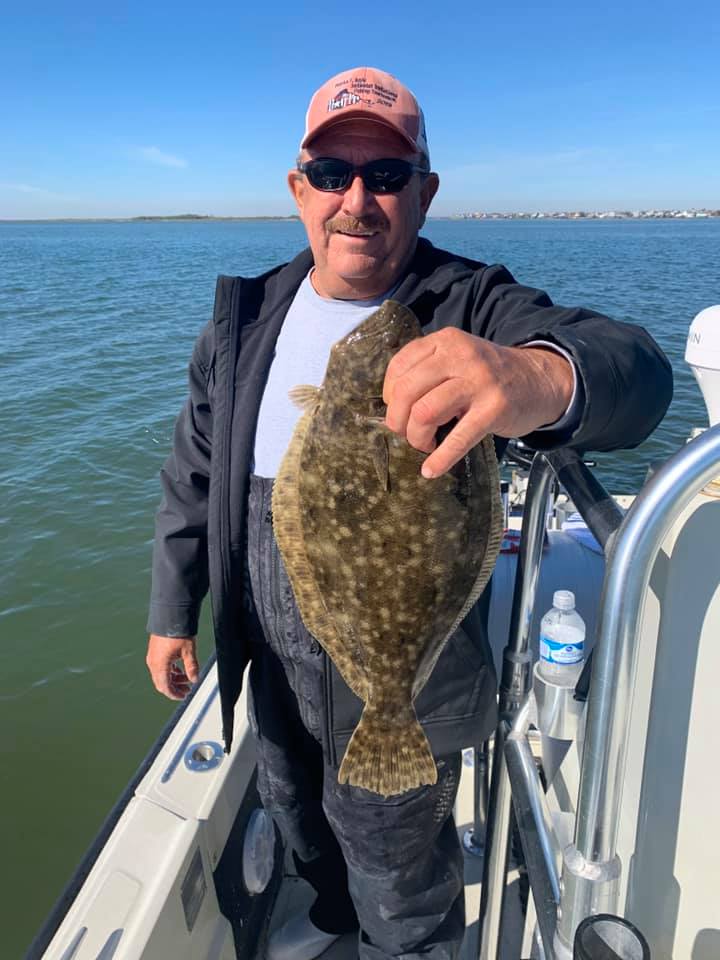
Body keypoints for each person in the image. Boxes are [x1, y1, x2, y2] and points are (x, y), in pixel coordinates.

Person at [145, 67, 672, 960]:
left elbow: (639, 371)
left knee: (396, 856)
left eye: (387, 177)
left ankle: (409, 942)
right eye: (332, 174)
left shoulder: (474, 307)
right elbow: (196, 472)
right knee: (292, 806)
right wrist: (172, 611)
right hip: (268, 645)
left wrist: (535, 376)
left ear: (424, 193)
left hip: (398, 665)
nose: (358, 200)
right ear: (297, 189)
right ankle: (331, 910)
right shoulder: (243, 319)